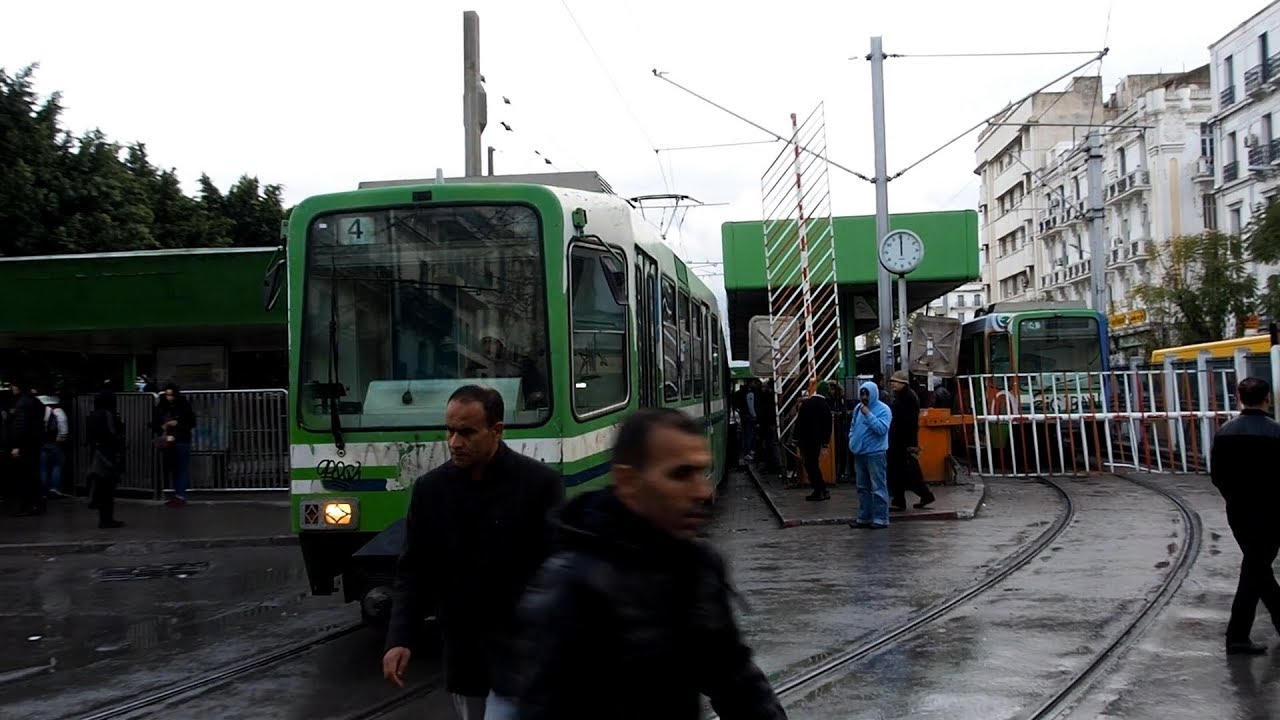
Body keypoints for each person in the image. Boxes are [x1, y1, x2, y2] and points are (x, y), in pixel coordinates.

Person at [509, 407, 786, 720]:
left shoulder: (698, 567)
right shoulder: (573, 587)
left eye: (701, 472)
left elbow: (737, 680)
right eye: (681, 474)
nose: (703, 491)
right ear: (628, 482)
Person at [382, 385, 564, 720]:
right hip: (465, 653)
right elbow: (414, 569)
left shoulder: (539, 485)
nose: (454, 442)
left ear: (496, 431)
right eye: (450, 431)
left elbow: (557, 571)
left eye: (467, 432)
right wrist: (400, 638)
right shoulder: (431, 490)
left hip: (521, 654)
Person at [1209, 376, 1280, 655]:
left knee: (1256, 568)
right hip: (1273, 513)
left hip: (1239, 513)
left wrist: (1234, 499)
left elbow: (1217, 476)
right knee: (1256, 568)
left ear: (1239, 398)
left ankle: (1244, 633)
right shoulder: (1276, 433)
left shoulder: (1225, 433)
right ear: (1267, 399)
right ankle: (1236, 637)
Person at [887, 371, 935, 512]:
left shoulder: (908, 398)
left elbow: (910, 423)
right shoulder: (902, 396)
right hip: (899, 441)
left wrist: (911, 444)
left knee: (908, 471)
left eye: (895, 382)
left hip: (903, 442)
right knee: (901, 471)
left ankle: (922, 495)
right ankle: (900, 499)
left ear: (903, 383)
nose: (893, 384)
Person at [848, 380, 892, 530]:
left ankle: (880, 518)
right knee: (862, 487)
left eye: (867, 394)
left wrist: (868, 415)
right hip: (859, 453)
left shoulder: (883, 410)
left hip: (875, 454)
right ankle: (864, 517)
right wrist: (852, 438)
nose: (864, 398)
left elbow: (881, 429)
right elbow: (853, 425)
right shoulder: (857, 409)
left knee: (878, 487)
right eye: (862, 394)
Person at [85, 389, 126, 528]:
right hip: (108, 455)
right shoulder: (108, 414)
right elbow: (112, 435)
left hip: (96, 455)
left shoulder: (92, 415)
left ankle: (103, 518)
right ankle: (107, 519)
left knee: (100, 487)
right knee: (108, 489)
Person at [152, 383, 196, 507]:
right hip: (169, 440)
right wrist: (163, 426)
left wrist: (177, 423)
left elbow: (191, 422)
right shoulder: (162, 407)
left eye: (171, 395)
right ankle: (178, 495)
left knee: (181, 468)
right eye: (167, 395)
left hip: (181, 440)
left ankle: (180, 496)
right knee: (176, 469)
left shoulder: (183, 406)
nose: (169, 397)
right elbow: (154, 423)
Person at [9, 377, 46, 517]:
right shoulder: (36, 402)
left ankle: (28, 505)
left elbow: (20, 426)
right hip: (35, 444)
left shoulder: (22, 403)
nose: (12, 388)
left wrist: (16, 445)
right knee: (33, 475)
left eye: (13, 385)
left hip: (25, 445)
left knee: (24, 476)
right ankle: (38, 504)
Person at [795, 382, 833, 502]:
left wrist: (795, 438)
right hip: (817, 441)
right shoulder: (825, 406)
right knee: (814, 464)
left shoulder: (806, 404)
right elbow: (828, 425)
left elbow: (799, 422)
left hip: (805, 440)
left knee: (810, 465)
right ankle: (822, 489)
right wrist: (825, 443)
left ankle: (819, 489)